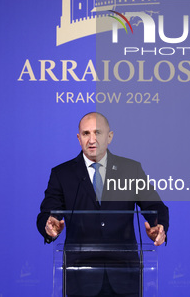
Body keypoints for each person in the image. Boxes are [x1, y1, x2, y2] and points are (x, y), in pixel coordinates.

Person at [37, 112, 169, 296]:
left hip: (124, 276)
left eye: (98, 133)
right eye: (86, 133)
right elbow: (47, 213)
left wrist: (159, 225)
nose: (92, 139)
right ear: (78, 138)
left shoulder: (131, 169)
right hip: (80, 278)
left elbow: (156, 207)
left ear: (109, 136)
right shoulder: (62, 174)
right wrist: (49, 225)